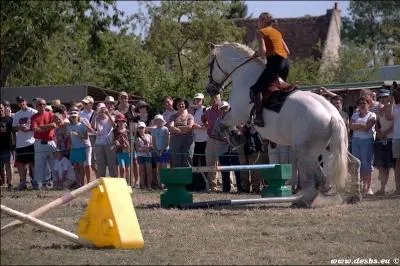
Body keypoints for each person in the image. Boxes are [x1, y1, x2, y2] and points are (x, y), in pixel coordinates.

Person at [250, 12, 290, 127]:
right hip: (286, 64)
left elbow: (262, 53)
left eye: (258, 20)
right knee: (277, 90)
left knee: (255, 89)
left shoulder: (261, 32)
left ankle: (259, 118)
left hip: (274, 64)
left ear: (263, 20)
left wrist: (256, 54)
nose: (257, 23)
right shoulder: (277, 32)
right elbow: (287, 51)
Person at [213, 101, 242, 193]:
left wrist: (236, 135)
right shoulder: (218, 120)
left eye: (225, 107)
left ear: (229, 108)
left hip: (235, 148)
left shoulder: (235, 118)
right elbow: (214, 134)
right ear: (219, 110)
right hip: (222, 148)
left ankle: (240, 188)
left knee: (238, 169)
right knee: (224, 170)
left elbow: (241, 130)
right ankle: (226, 189)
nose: (224, 110)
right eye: (222, 108)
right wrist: (221, 138)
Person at [349, 96, 376, 195]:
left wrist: (358, 126)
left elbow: (367, 128)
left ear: (368, 104)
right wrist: (361, 126)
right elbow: (351, 126)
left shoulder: (372, 115)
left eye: (364, 103)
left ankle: (368, 188)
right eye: (360, 103)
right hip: (356, 141)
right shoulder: (355, 114)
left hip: (367, 141)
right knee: (357, 164)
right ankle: (358, 187)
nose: (362, 105)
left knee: (367, 164)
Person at [31, 98, 57, 190]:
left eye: (43, 104)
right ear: (36, 106)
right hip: (39, 143)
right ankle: (39, 185)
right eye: (39, 104)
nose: (42, 106)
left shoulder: (50, 114)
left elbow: (54, 125)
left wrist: (41, 127)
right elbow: (35, 129)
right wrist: (48, 127)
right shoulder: (34, 117)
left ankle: (56, 184)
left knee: (54, 165)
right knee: (39, 165)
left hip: (51, 142)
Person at [12, 96, 37, 190]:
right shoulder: (17, 114)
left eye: (22, 101)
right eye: (19, 102)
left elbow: (38, 125)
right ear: (17, 104)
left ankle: (34, 181)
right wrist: (19, 127)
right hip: (20, 143)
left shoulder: (33, 112)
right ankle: (23, 182)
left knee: (33, 163)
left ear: (26, 101)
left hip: (32, 142)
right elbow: (13, 128)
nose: (21, 103)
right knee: (21, 164)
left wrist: (29, 128)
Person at [373, 89, 395, 195]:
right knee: (382, 166)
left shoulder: (393, 108)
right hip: (382, 141)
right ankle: (382, 189)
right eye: (380, 97)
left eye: (384, 97)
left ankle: (397, 188)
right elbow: (377, 124)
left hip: (391, 139)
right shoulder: (379, 110)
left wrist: (384, 134)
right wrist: (378, 133)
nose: (382, 99)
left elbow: (394, 126)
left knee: (394, 165)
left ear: (388, 97)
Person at [188, 93, 209, 191]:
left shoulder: (206, 110)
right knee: (195, 163)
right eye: (196, 99)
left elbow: (208, 125)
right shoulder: (194, 111)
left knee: (205, 163)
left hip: (205, 140)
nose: (197, 101)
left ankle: (206, 185)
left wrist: (198, 127)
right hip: (196, 140)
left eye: (199, 99)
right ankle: (198, 184)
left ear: (202, 100)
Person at [202, 94, 222, 192]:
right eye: (213, 98)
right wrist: (206, 125)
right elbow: (203, 118)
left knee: (224, 161)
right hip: (211, 138)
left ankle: (229, 184)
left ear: (219, 99)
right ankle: (213, 185)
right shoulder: (208, 111)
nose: (214, 100)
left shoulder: (223, 109)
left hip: (222, 139)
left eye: (216, 98)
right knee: (210, 161)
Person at [92, 103, 117, 178]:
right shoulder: (96, 118)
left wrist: (108, 114)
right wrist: (95, 115)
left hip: (109, 144)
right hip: (99, 144)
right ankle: (101, 183)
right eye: (99, 109)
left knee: (111, 164)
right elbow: (93, 127)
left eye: (102, 109)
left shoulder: (110, 117)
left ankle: (113, 181)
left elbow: (114, 126)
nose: (101, 111)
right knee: (100, 166)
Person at [168, 98, 194, 168]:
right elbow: (170, 127)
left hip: (188, 141)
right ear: (176, 106)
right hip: (175, 141)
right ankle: (177, 178)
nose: (181, 105)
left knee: (188, 159)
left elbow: (189, 127)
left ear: (185, 105)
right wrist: (183, 130)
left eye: (182, 104)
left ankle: (187, 178)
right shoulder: (173, 116)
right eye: (179, 104)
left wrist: (177, 128)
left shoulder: (190, 116)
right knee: (176, 160)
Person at [66, 109, 88, 187]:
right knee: (75, 167)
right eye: (72, 117)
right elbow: (69, 137)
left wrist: (78, 135)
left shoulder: (82, 125)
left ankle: (82, 183)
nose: (73, 118)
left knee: (81, 166)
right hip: (73, 149)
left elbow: (86, 137)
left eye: (75, 116)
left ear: (78, 116)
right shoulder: (69, 127)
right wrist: (69, 144)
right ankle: (78, 183)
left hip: (81, 148)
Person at [151, 114, 170, 189]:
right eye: (157, 120)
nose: (158, 121)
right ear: (155, 122)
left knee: (164, 167)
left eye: (160, 120)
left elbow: (167, 140)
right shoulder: (154, 130)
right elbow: (153, 141)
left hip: (165, 150)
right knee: (159, 167)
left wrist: (162, 150)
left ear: (162, 121)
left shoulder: (165, 129)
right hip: (157, 151)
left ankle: (165, 183)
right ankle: (160, 184)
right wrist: (156, 150)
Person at [387, 93, 400, 194]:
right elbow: (388, 117)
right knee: (398, 164)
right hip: (397, 139)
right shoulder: (395, 107)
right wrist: (391, 102)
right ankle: (398, 188)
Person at [135, 121, 153, 190]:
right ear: (138, 129)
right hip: (141, 156)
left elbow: (152, 145)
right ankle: (142, 186)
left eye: (142, 128)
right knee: (142, 172)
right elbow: (137, 149)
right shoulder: (137, 138)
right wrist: (146, 148)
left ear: (145, 128)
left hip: (148, 155)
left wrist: (147, 148)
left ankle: (149, 186)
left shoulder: (149, 136)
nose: (141, 129)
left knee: (149, 171)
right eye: (139, 128)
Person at [0, 103, 14, 190]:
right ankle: (2, 182)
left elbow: (14, 133)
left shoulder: (10, 120)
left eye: (1, 108)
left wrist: (14, 144)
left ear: (4, 109)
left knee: (8, 165)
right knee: (0, 167)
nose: (0, 110)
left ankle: (10, 183)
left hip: (7, 146)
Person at [114, 113, 131, 183]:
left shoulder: (128, 131)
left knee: (127, 168)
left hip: (127, 151)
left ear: (124, 122)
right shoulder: (115, 131)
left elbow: (131, 140)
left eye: (122, 121)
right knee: (122, 168)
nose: (120, 123)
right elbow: (113, 140)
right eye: (118, 121)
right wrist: (115, 142)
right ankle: (122, 183)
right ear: (117, 122)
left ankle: (128, 183)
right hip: (119, 152)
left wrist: (128, 144)